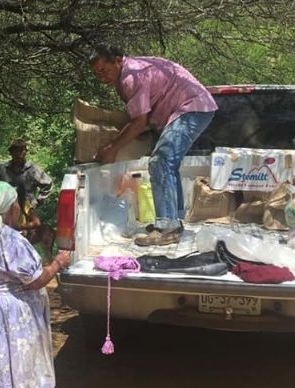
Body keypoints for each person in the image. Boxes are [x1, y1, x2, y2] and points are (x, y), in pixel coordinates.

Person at [89, 43, 218, 246]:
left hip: (192, 107)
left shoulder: (131, 76)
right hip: (196, 107)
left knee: (160, 161)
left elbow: (139, 122)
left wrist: (111, 148)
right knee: (167, 164)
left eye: (104, 70)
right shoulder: (133, 70)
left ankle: (167, 227)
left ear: (117, 60)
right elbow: (142, 119)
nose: (102, 78)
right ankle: (174, 221)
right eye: (97, 75)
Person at [0, 181, 70, 388]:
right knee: (21, 360)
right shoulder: (9, 239)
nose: (19, 208)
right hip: (11, 313)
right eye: (16, 203)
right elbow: (36, 280)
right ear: (8, 207)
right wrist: (58, 261)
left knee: (0, 359)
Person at [0, 138, 55, 258]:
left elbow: (48, 184)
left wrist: (34, 203)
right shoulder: (1, 169)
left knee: (24, 241)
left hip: (26, 210)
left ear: (25, 151)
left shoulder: (32, 170)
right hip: (5, 211)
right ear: (10, 152)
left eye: (21, 150)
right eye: (15, 150)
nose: (18, 153)